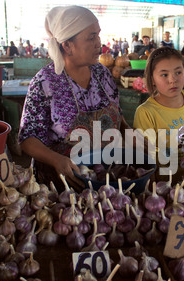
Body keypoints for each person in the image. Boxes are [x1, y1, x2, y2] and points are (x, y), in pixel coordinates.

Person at [19, 5, 132, 191]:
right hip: (62, 183)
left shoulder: (101, 74)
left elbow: (117, 115)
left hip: (104, 178)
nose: (99, 43)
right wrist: (56, 160)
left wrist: (128, 132)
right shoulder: (45, 82)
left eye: (98, 34)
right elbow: (27, 138)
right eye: (91, 37)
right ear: (67, 45)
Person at [133, 46, 184, 183]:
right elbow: (142, 155)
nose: (173, 80)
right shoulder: (146, 112)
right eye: (164, 75)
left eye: (178, 72)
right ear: (152, 79)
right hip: (160, 185)